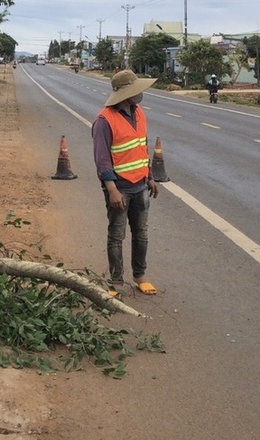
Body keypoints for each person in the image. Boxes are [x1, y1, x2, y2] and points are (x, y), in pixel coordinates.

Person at [91, 69, 159, 295]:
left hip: (140, 185)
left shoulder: (139, 113)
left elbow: (142, 147)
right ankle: (116, 280)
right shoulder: (104, 121)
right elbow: (102, 160)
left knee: (141, 234)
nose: (140, 95)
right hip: (119, 189)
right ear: (125, 94)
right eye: (136, 91)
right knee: (116, 235)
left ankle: (140, 275)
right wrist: (112, 189)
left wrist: (149, 176)